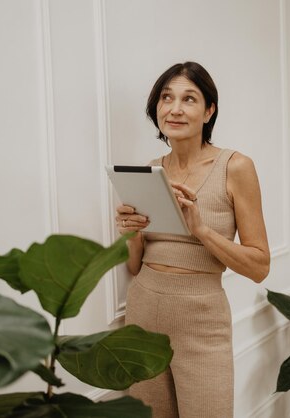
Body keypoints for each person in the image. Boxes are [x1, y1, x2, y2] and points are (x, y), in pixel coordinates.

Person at [115, 61, 270, 418]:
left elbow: (260, 266)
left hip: (201, 319)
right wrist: (132, 233)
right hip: (143, 314)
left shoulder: (235, 166)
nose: (175, 108)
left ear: (209, 110)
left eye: (189, 98)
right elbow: (135, 265)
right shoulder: (150, 170)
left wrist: (199, 229)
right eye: (166, 98)